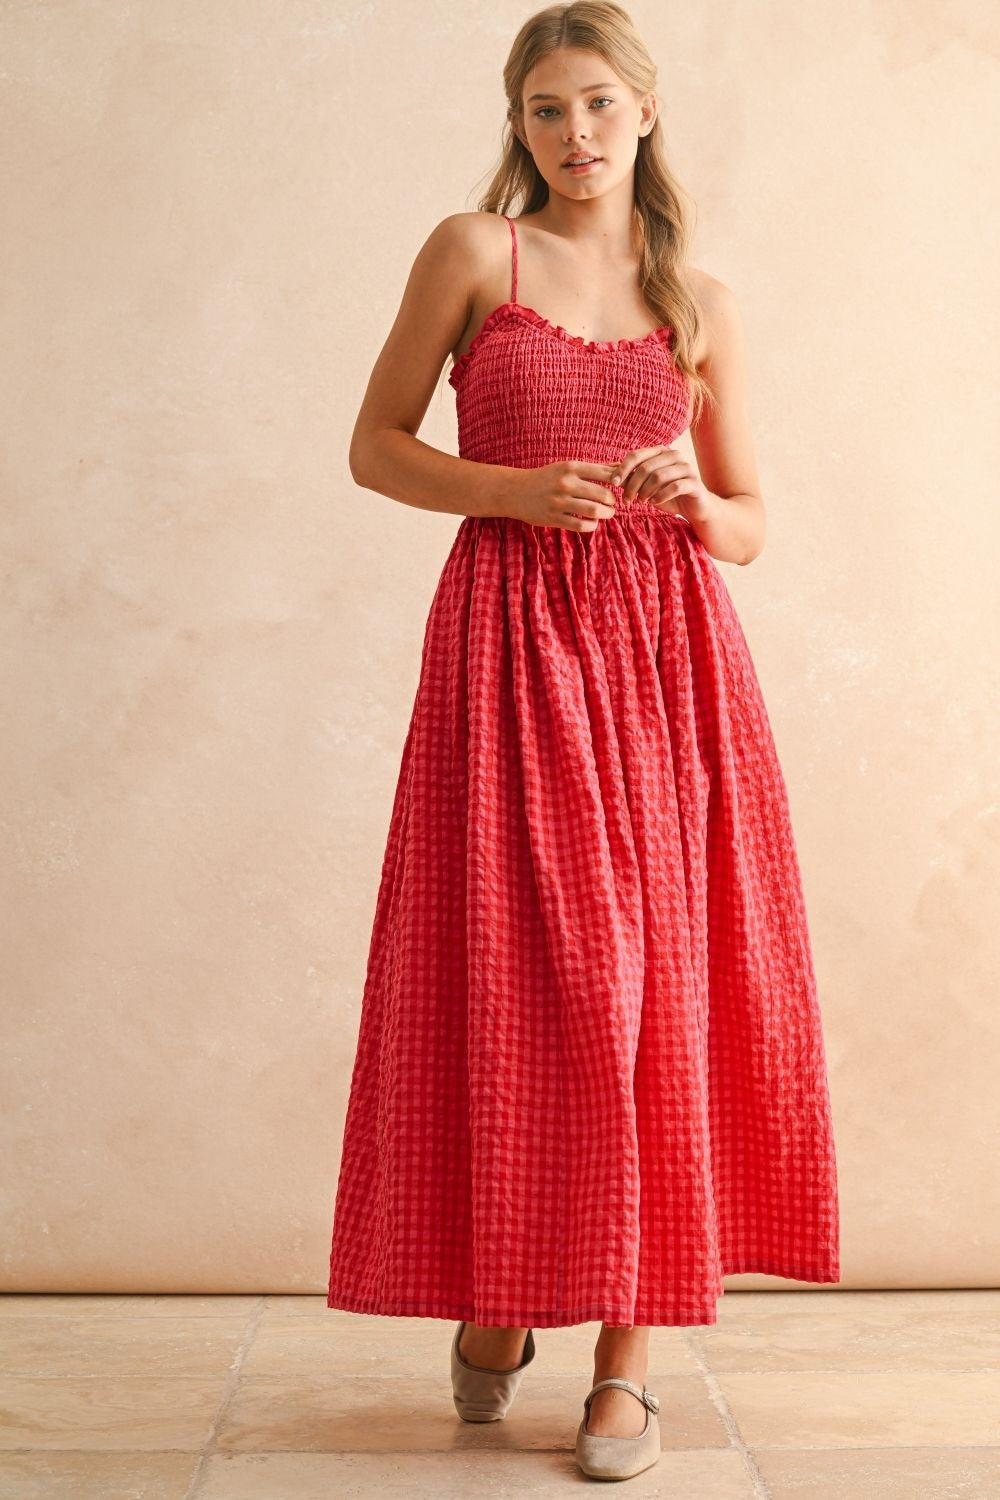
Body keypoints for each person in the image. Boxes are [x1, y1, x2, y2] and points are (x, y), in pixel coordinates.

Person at [327, 1, 840, 1482]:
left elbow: (751, 526)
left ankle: (626, 1362)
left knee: (655, 998)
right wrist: (502, 488)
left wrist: (695, 503)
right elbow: (373, 444)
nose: (576, 135)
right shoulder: (472, 254)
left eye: (599, 104)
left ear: (649, 111)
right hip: (506, 659)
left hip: (671, 678)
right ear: (519, 123)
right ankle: (497, 1300)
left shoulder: (704, 301)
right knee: (526, 988)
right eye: (547, 110)